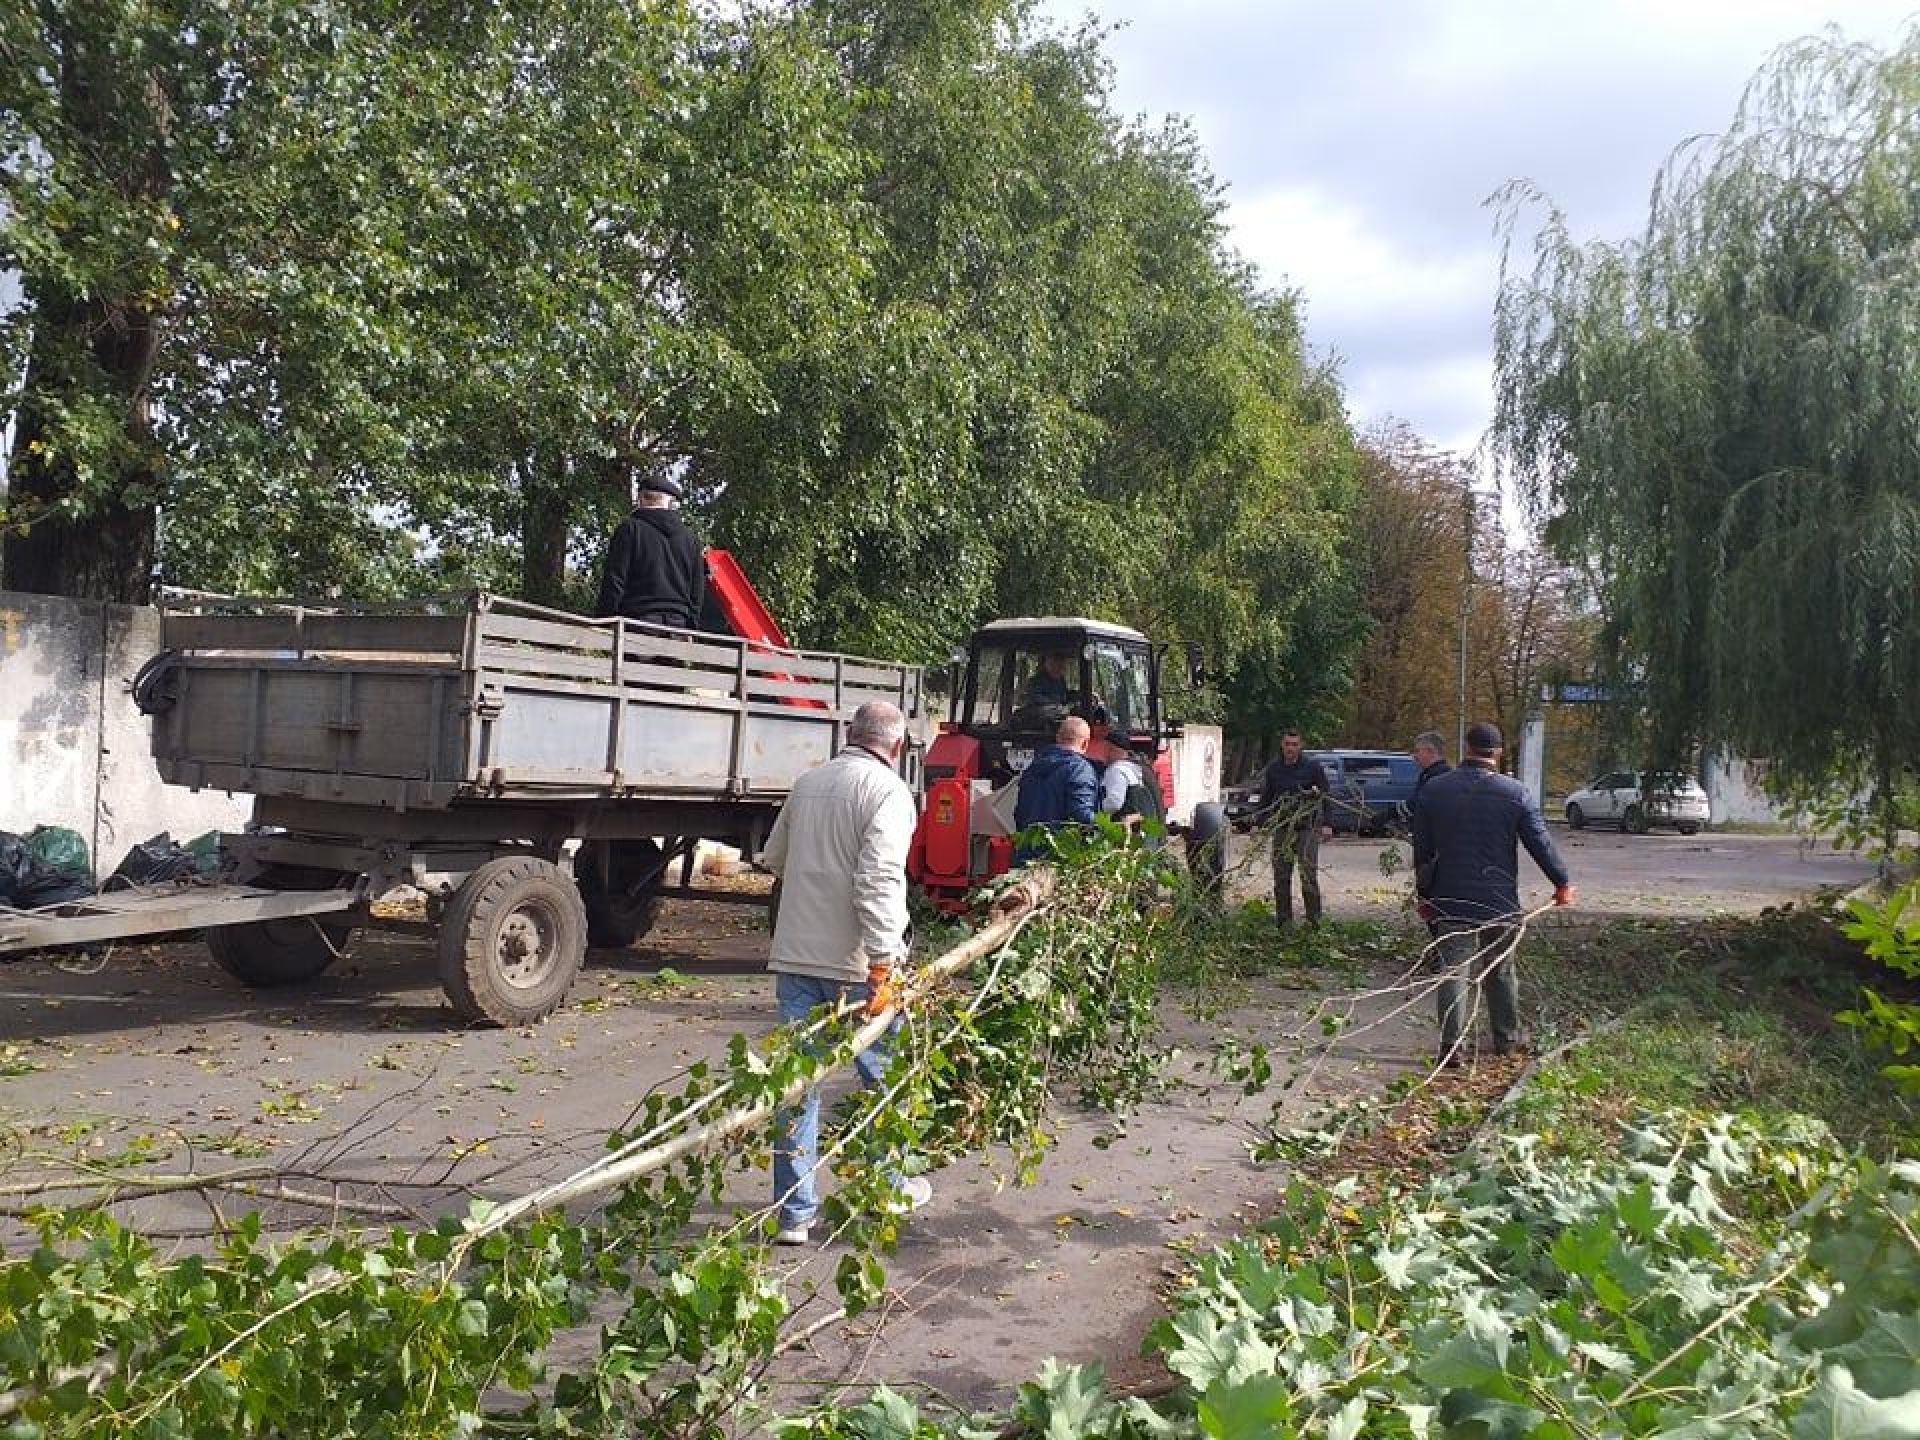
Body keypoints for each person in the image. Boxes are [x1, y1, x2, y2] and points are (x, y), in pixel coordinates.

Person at [758, 700, 929, 1245]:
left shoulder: (807, 784)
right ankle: (887, 1187)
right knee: (884, 1080)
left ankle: (794, 1215)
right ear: (897, 746)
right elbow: (879, 879)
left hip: (796, 958)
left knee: (797, 1086)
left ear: (850, 734)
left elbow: (775, 858)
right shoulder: (888, 792)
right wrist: (883, 960)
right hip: (857, 965)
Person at [1411, 720, 1576, 1065]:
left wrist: (1424, 896)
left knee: (1453, 970)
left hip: (1450, 897)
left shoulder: (1434, 790)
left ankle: (1451, 1048)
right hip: (1499, 900)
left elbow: (1422, 851)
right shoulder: (1516, 793)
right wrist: (1561, 883)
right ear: (1498, 753)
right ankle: (1506, 1040)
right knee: (1500, 969)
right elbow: (1540, 844)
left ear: (1467, 748)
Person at [593, 475, 706, 629]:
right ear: (670, 503)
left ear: (641, 499)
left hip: (637, 623)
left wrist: (604, 622)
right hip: (679, 627)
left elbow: (614, 581)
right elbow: (697, 591)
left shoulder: (630, 530)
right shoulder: (691, 540)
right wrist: (691, 627)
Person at [1247, 730, 1332, 927]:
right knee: (1281, 876)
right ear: (1282, 745)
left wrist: (1327, 823)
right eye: (1287, 744)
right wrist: (1257, 823)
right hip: (1283, 827)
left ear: (1300, 746)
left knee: (1308, 874)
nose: (1290, 748)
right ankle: (1284, 922)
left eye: (1294, 744)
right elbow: (1267, 798)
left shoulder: (1313, 767)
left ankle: (1314, 921)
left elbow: (1326, 795)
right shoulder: (1274, 769)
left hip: (1307, 827)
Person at [1012, 715, 1098, 862]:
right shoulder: (1080, 770)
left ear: (1058, 738)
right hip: (1060, 858)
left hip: (1026, 854)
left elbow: (1019, 813)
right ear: (1085, 743)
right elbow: (1081, 816)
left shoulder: (1033, 767)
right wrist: (1107, 827)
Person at [1411, 731, 1451, 806]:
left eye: (1417, 751)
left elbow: (1416, 805)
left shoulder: (1437, 777)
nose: (1414, 756)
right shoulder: (1430, 774)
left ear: (1431, 751)